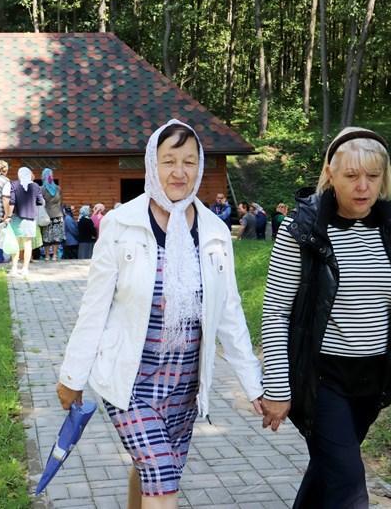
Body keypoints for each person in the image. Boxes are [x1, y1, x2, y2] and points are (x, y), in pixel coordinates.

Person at [56, 120, 264, 509]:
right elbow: (94, 308)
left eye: (189, 161)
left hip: (184, 388)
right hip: (130, 382)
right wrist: (72, 376)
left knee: (151, 472)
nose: (179, 172)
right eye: (169, 161)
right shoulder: (122, 224)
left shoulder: (214, 231)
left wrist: (254, 384)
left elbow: (229, 312)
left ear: (200, 167)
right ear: (153, 164)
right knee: (163, 483)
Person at [259, 127, 391, 509]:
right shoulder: (301, 231)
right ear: (330, 174)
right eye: (352, 175)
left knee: (328, 474)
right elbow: (276, 312)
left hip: (373, 379)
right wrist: (277, 388)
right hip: (320, 378)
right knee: (349, 486)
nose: (363, 186)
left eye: (373, 175)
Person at [4, 167, 44, 278]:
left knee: (16, 244)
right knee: (28, 244)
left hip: (16, 218)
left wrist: (8, 216)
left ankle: (14, 268)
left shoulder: (14, 185)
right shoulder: (36, 186)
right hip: (30, 219)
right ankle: (25, 269)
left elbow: (12, 202)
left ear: (19, 175)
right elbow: (40, 201)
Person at [40, 168, 65, 261]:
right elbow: (61, 202)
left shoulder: (42, 189)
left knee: (46, 236)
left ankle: (47, 256)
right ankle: (54, 255)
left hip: (46, 216)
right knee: (56, 236)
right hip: (58, 214)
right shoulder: (58, 188)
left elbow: (40, 202)